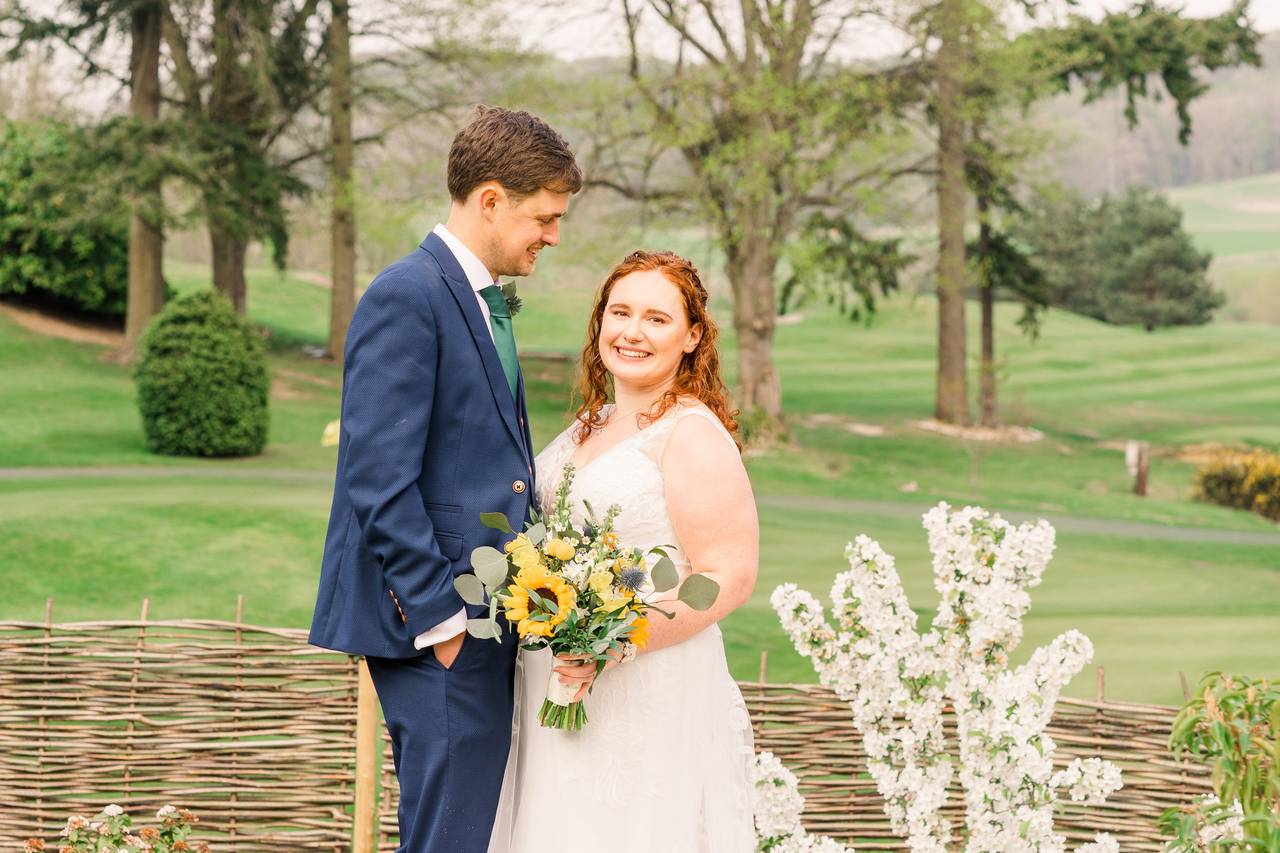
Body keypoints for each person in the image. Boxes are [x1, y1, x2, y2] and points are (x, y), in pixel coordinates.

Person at [308, 105, 582, 853]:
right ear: (490, 199)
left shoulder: (480, 299)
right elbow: (378, 478)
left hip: (486, 618)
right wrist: (443, 622)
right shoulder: (409, 295)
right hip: (440, 628)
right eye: (546, 217)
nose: (554, 236)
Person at [487, 251, 760, 852]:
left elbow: (728, 576)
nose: (632, 331)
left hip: (646, 689)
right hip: (552, 680)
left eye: (657, 319)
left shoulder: (690, 433)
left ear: (692, 337)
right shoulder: (591, 424)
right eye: (620, 312)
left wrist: (615, 639)